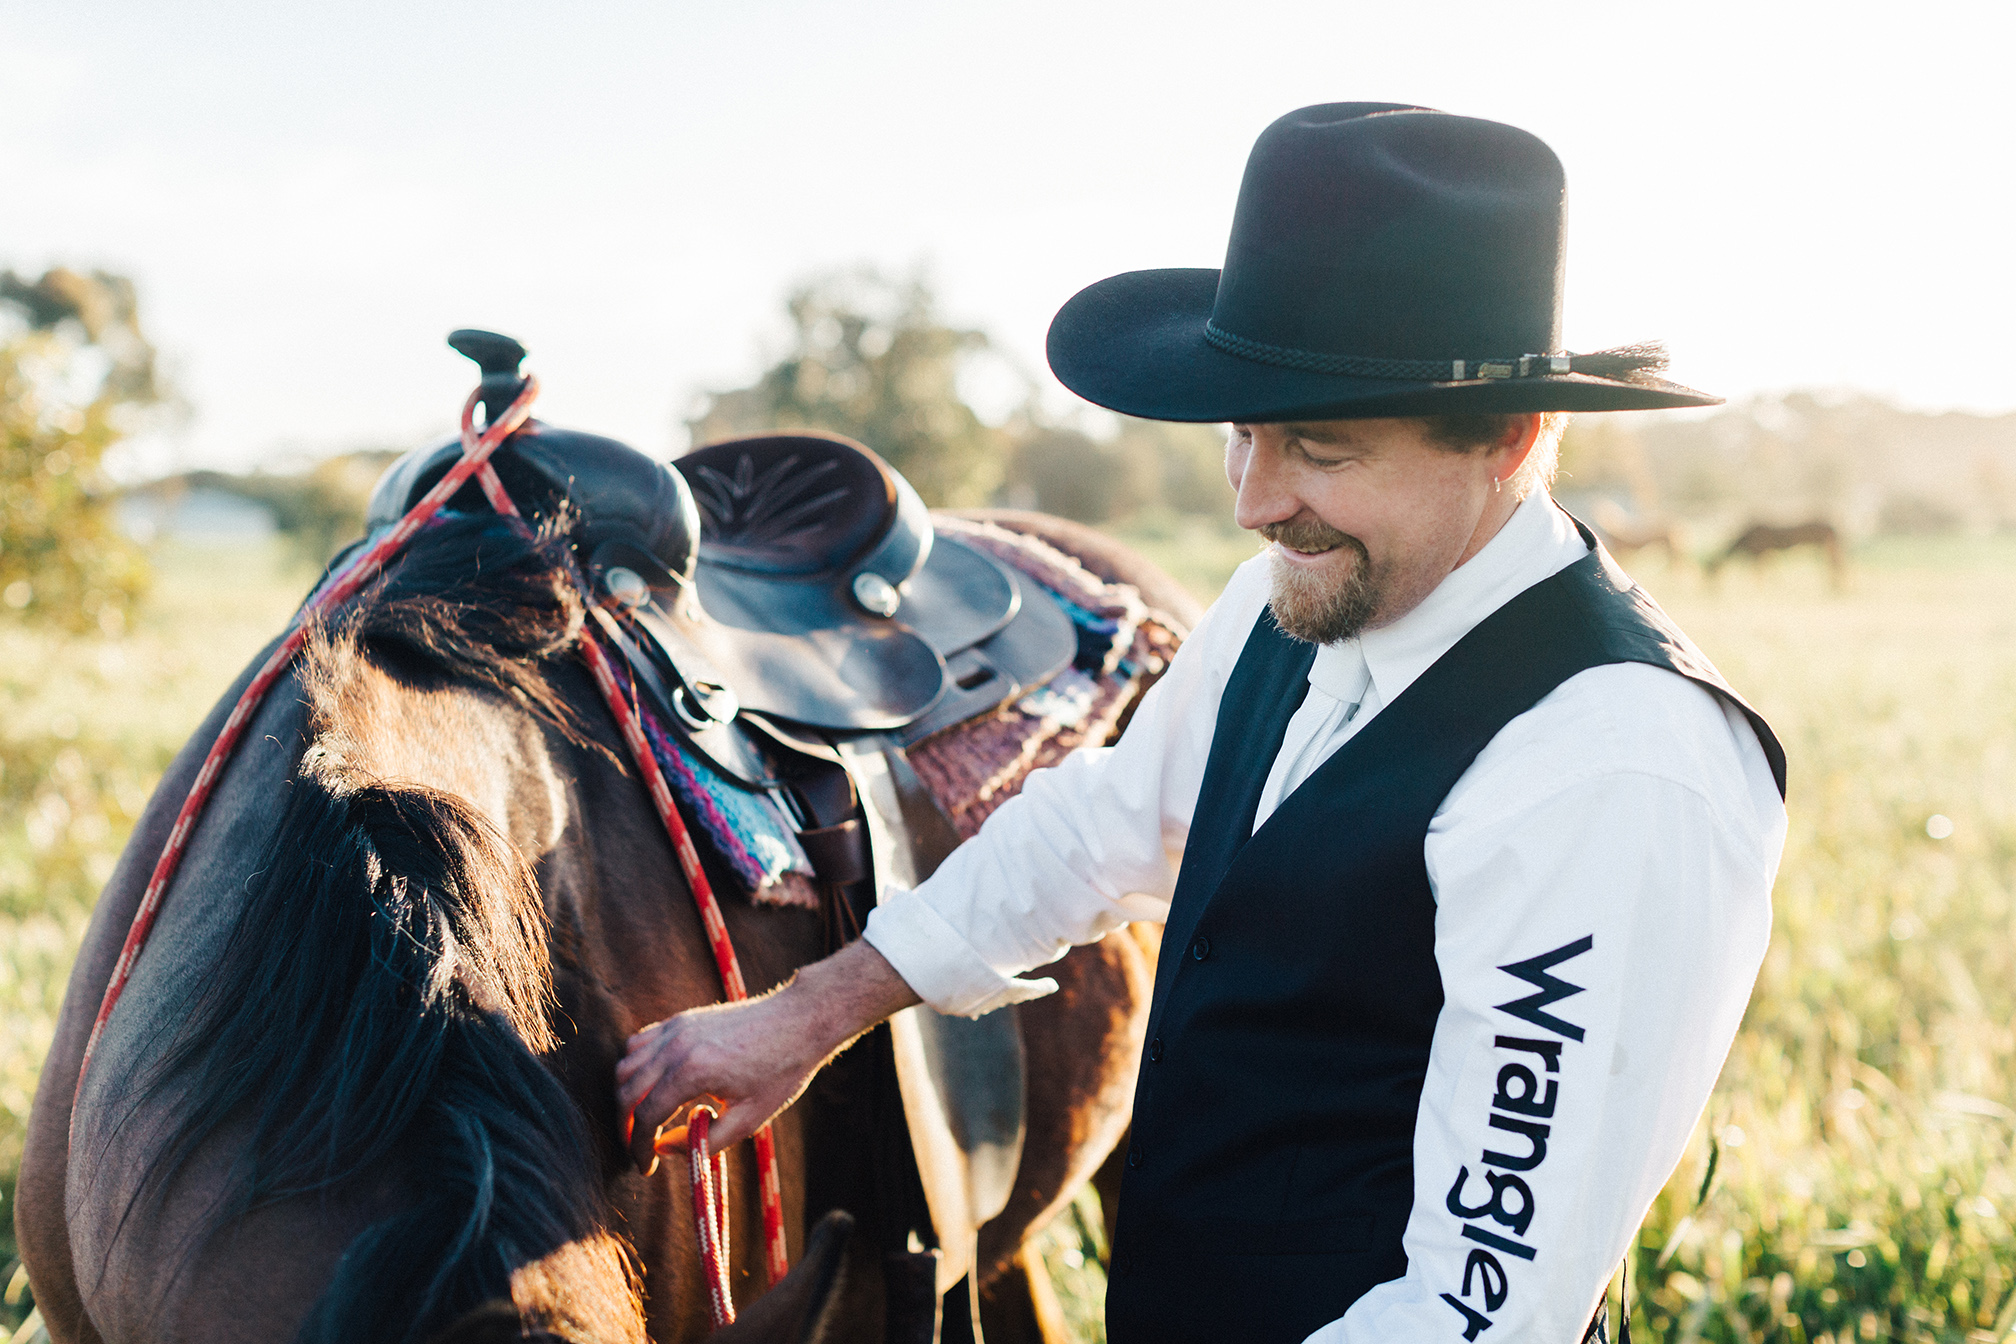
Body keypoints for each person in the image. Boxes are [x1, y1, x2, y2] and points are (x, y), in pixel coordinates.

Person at [618, 102, 1788, 1344]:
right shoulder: (1291, 600)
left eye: (1320, 450)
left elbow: (1481, 1304)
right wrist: (805, 1016)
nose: (1254, 501)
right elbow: (1104, 829)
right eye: (1243, 432)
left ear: (1511, 434)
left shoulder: (1615, 766)